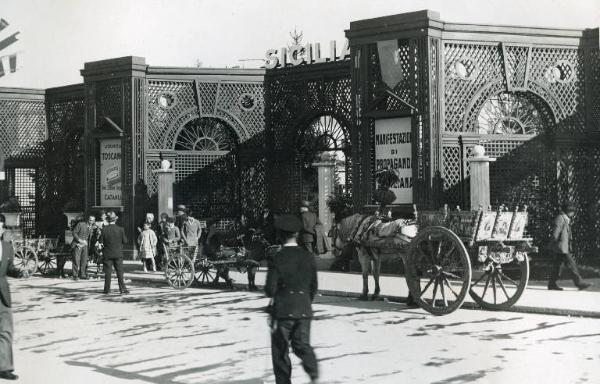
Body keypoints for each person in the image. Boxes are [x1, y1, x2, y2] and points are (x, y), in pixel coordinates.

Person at [265, 214, 319, 384]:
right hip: (304, 309)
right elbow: (314, 287)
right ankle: (313, 373)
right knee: (302, 345)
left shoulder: (277, 257)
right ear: (297, 235)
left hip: (283, 312)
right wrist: (304, 303)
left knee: (280, 351)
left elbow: (270, 289)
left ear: (280, 236)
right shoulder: (308, 256)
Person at [547, 202, 591, 291]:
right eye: (572, 212)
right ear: (568, 211)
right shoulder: (560, 218)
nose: (573, 214)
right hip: (561, 247)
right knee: (572, 265)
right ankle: (580, 283)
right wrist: (552, 245)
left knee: (557, 266)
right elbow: (556, 232)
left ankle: (552, 283)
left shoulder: (564, 218)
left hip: (562, 247)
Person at [0, 214, 17, 380]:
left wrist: (17, 272)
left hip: (2, 294)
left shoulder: (6, 247)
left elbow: (9, 267)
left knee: (6, 330)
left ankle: (4, 367)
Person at [100, 211, 129, 295]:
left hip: (107, 253)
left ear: (108, 220)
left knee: (108, 272)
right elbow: (125, 241)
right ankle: (122, 289)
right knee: (120, 272)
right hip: (118, 253)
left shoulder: (104, 229)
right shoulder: (121, 229)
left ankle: (107, 289)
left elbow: (101, 241)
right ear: (115, 220)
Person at [71, 214, 94, 280]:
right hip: (77, 244)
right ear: (87, 219)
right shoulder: (81, 224)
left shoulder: (92, 227)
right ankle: (75, 275)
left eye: (92, 220)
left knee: (84, 260)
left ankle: (82, 275)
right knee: (76, 260)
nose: (91, 221)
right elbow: (74, 233)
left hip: (85, 245)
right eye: (90, 220)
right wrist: (79, 240)